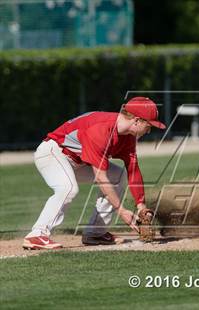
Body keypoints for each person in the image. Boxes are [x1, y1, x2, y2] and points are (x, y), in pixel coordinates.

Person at [23, 97, 165, 250]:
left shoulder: (128, 137)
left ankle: (95, 233)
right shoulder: (100, 130)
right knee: (68, 188)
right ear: (137, 120)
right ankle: (37, 234)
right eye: (148, 125)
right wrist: (121, 210)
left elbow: (133, 169)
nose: (149, 130)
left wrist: (141, 205)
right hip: (53, 153)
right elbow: (101, 178)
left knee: (117, 176)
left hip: (78, 161)